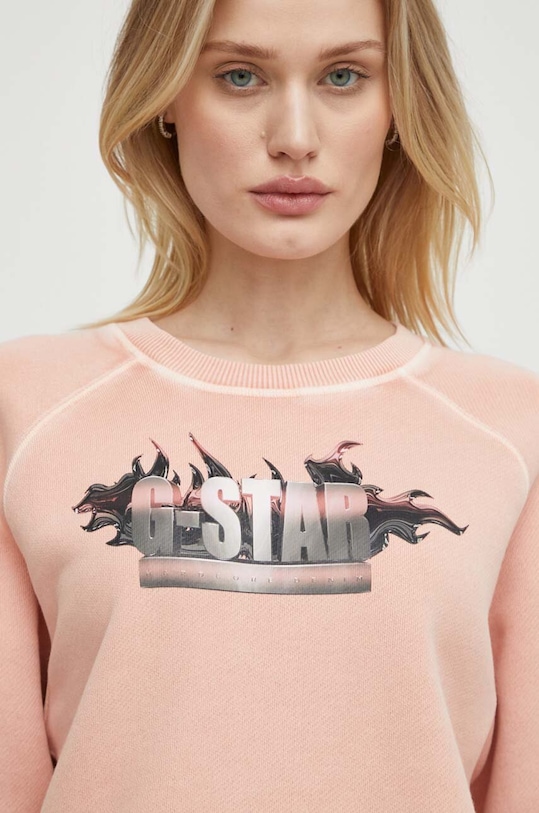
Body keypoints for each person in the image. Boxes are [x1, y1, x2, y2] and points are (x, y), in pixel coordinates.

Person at [1, 0, 537, 810]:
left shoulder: (509, 431)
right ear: (167, 99)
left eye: (343, 76)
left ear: (399, 108)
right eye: (239, 76)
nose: (293, 135)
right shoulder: (27, 407)